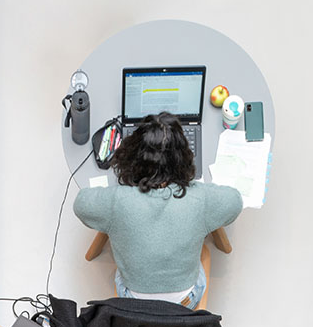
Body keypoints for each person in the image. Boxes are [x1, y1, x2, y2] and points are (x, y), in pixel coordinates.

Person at [73, 112, 242, 310]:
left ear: (133, 155)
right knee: (203, 253)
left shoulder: (117, 200)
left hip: (133, 299)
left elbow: (80, 204)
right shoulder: (200, 198)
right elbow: (235, 201)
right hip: (186, 300)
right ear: (182, 158)